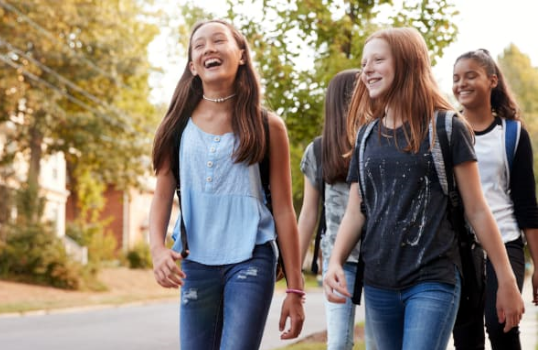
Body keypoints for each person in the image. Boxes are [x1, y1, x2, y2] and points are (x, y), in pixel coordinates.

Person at [323, 27, 525, 350]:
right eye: (364, 63)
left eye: (377, 60)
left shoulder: (446, 127)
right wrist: (335, 262)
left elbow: (477, 210)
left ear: (406, 63)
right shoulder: (365, 138)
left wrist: (506, 278)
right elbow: (354, 212)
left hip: (434, 278)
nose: (367, 69)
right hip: (377, 283)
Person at [148, 19, 305, 350]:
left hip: (251, 258)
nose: (209, 48)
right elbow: (162, 195)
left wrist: (295, 289)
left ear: (242, 55)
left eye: (219, 41)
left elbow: (284, 210)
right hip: (195, 263)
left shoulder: (268, 125)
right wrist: (158, 249)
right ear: (193, 66)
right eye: (200, 45)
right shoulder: (176, 126)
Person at [451, 48, 538, 350]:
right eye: (456, 78)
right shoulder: (446, 132)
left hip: (506, 241)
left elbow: (527, 206)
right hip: (460, 249)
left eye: (470, 75)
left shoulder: (512, 135)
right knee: (465, 337)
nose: (461, 83)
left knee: (502, 327)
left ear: (492, 81)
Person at [297, 68, 374, 350]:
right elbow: (307, 215)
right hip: (339, 262)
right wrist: (295, 271)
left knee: (381, 342)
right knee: (339, 343)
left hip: (381, 259)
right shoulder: (318, 151)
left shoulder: (380, 142)